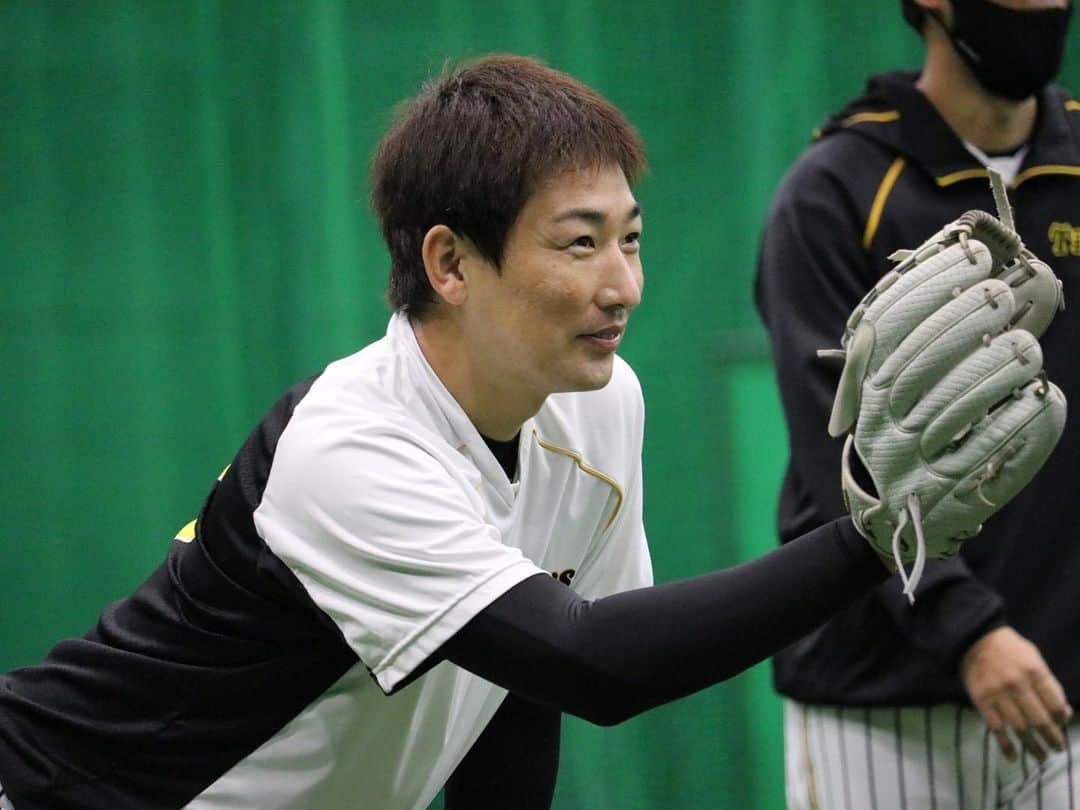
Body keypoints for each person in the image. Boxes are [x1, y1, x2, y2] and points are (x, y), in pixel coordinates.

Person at [0, 53, 1034, 810]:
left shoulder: (596, 397)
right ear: (450, 264)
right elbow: (591, 663)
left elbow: (523, 684)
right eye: (579, 243)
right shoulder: (349, 448)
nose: (622, 284)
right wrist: (865, 537)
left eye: (631, 238)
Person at [755, 1, 1080, 807]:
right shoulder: (834, 188)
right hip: (880, 701)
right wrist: (964, 626)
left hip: (1063, 690)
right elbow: (840, 457)